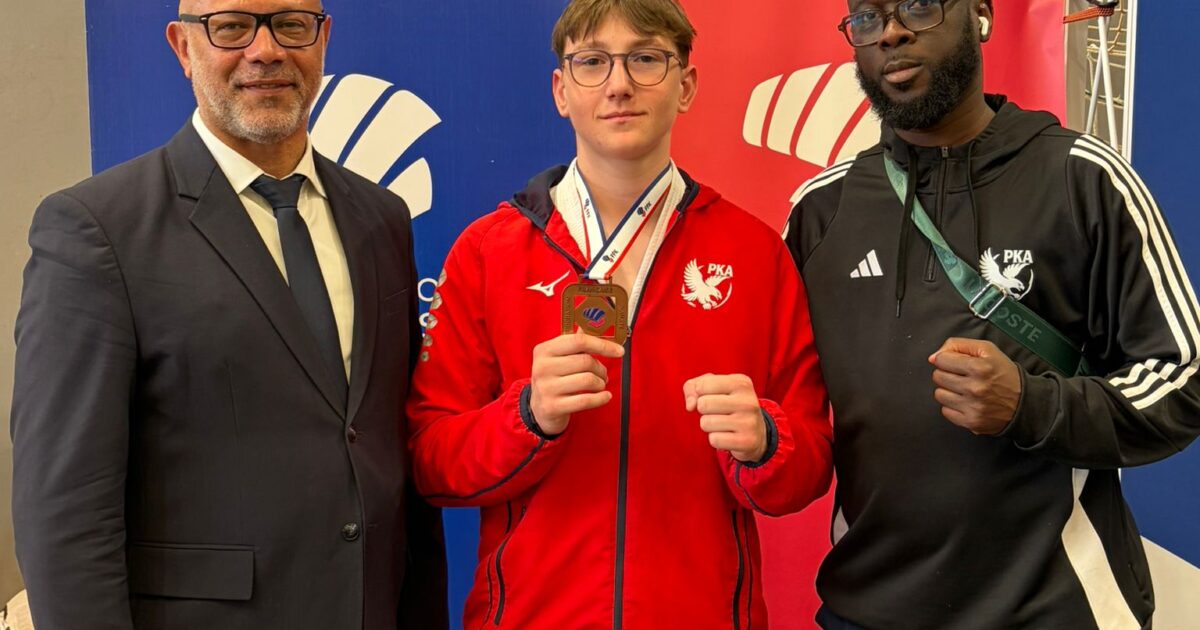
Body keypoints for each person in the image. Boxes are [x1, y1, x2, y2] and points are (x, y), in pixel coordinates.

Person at [10, 1, 447, 628]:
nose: (265, 51)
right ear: (183, 46)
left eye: (290, 24)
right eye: (232, 26)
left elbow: (389, 454)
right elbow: (65, 511)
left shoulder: (381, 218)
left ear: (323, 38)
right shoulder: (98, 229)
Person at [406, 0, 833, 627]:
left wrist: (768, 441)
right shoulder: (488, 252)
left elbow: (811, 463)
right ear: (561, 90)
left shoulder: (755, 253)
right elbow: (431, 461)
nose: (619, 84)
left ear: (686, 85)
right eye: (593, 62)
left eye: (646, 59)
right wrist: (527, 416)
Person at [785, 0, 1200, 628]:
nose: (890, 32)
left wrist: (1031, 407)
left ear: (979, 14)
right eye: (866, 17)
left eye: (917, 6)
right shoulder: (819, 211)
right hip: (869, 609)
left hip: (1055, 609)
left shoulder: (1082, 179)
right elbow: (787, 412)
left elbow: (1184, 378)